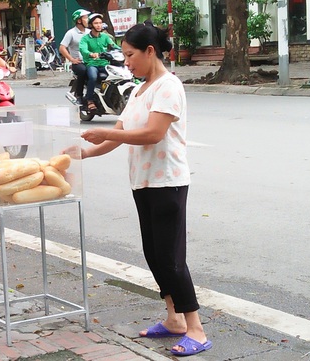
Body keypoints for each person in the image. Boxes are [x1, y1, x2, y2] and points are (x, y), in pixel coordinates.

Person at [66, 21, 212, 357]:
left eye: (130, 55)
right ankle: (174, 320)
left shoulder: (169, 87)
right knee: (154, 254)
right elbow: (120, 131)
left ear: (150, 51)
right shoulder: (139, 91)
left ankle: (197, 330)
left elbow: (152, 133)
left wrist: (106, 135)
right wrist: (85, 152)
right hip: (143, 182)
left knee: (172, 259)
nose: (126, 62)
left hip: (167, 182)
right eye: (124, 55)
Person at [79, 13, 120, 112]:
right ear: (91, 25)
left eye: (100, 23)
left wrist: (123, 51)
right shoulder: (85, 38)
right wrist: (91, 54)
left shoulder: (105, 37)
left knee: (117, 77)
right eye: (96, 23)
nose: (98, 25)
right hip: (92, 64)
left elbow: (113, 45)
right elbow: (83, 49)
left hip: (105, 64)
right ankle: (90, 100)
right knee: (93, 77)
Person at [59, 9, 90, 103]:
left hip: (91, 61)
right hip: (78, 62)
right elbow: (62, 48)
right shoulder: (71, 33)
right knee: (83, 70)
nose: (88, 19)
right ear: (79, 20)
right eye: (85, 18)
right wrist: (72, 59)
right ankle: (79, 95)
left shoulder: (89, 32)